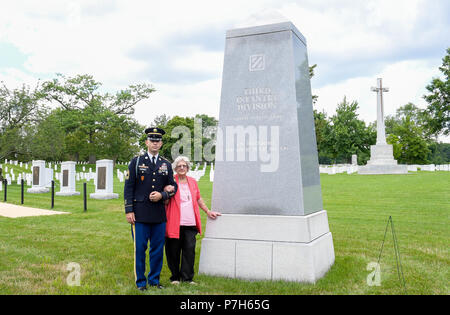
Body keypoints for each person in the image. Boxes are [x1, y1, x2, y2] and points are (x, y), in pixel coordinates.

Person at [124, 127, 177, 290]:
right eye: (152, 140)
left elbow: (173, 186)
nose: (155, 143)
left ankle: (154, 280)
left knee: (157, 249)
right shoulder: (137, 161)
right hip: (139, 213)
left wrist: (163, 195)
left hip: (158, 214)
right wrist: (129, 210)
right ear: (147, 142)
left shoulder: (166, 164)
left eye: (158, 141)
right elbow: (129, 187)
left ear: (161, 143)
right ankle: (141, 282)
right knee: (140, 249)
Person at [164, 156, 221, 284]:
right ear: (175, 169)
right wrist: (166, 192)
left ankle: (187, 278)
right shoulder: (171, 182)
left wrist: (207, 211)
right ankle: (175, 277)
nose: (182, 168)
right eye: (179, 166)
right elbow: (165, 201)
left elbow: (198, 198)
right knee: (173, 251)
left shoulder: (193, 181)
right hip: (175, 222)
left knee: (189, 250)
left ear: (188, 168)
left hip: (190, 222)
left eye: (184, 166)